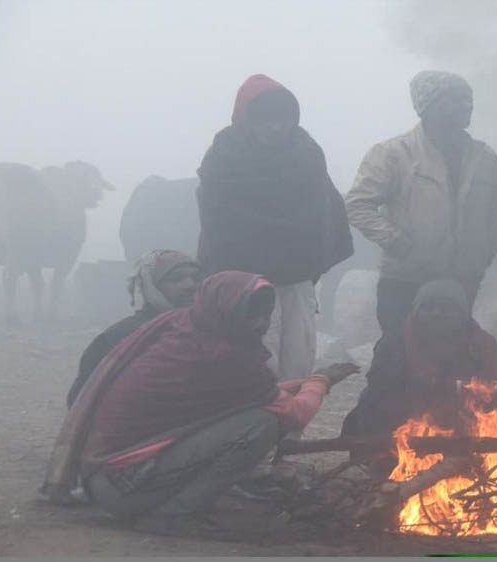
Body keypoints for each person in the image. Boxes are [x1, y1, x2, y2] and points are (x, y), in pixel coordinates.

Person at [42, 271, 359, 537]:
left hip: (102, 478)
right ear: (228, 310)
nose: (261, 324)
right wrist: (321, 381)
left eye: (266, 315)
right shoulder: (224, 355)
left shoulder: (183, 327)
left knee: (256, 413)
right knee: (262, 424)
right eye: (252, 314)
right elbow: (295, 414)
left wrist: (300, 385)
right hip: (124, 487)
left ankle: (173, 505)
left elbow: (244, 395)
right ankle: (174, 515)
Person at [196, 74, 353, 402]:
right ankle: (252, 422)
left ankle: (289, 422)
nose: (276, 128)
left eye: (284, 119)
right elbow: (220, 225)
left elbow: (324, 213)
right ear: (246, 120)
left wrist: (309, 259)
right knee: (252, 358)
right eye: (265, 119)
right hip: (243, 283)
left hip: (296, 279)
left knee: (298, 357)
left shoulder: (307, 156)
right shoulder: (223, 161)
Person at [344, 71, 497, 338]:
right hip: (406, 279)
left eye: (467, 99)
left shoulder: (485, 157)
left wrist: (485, 251)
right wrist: (397, 242)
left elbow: (496, 212)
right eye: (454, 99)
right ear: (428, 107)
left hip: (463, 279)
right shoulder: (393, 153)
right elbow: (358, 205)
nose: (466, 105)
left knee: (453, 351)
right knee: (399, 350)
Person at [340, 279, 497, 477]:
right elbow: (379, 384)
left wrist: (489, 393)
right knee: (367, 408)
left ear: (462, 313)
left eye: (446, 308)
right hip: (403, 417)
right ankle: (385, 464)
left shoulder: (481, 343)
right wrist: (428, 386)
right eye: (429, 307)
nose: (437, 313)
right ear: (416, 311)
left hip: (460, 422)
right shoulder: (396, 340)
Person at [67, 250, 200, 407]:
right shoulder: (118, 337)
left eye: (196, 278)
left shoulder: (206, 332)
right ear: (151, 286)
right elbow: (80, 400)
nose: (191, 285)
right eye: (176, 279)